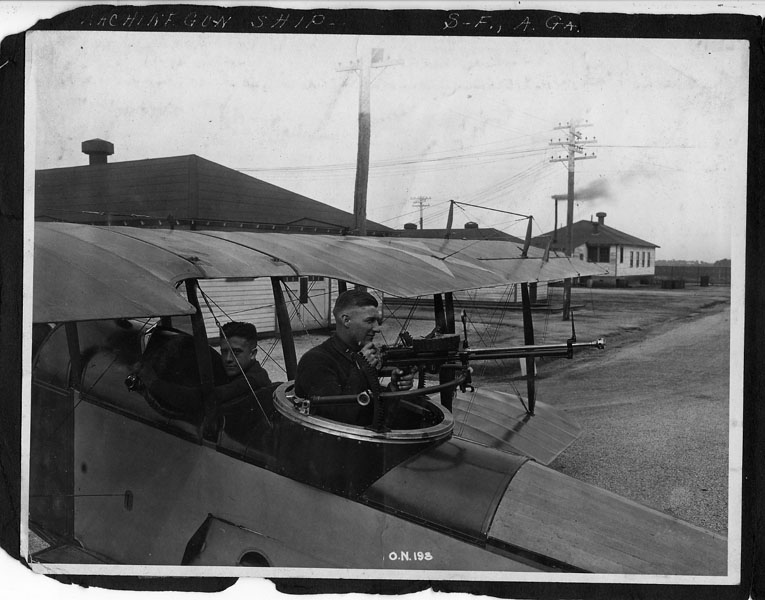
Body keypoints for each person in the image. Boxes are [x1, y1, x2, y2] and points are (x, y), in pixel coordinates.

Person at [294, 289, 415, 426]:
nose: (377, 328)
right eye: (370, 321)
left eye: (377, 321)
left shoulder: (357, 354)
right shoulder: (316, 361)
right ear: (346, 320)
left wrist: (394, 388)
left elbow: (374, 415)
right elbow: (339, 419)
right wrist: (361, 368)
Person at [134, 321, 273, 422]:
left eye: (236, 352)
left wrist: (153, 382)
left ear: (253, 354)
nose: (228, 359)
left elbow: (199, 399)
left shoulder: (252, 381)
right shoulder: (246, 371)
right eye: (224, 351)